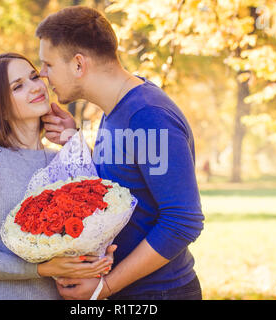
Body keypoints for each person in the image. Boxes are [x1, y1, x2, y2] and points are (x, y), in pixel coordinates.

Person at [37, 6, 205, 300]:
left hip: (158, 293)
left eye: (48, 64)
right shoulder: (116, 107)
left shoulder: (147, 115)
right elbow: (119, 188)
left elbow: (182, 221)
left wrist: (106, 287)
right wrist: (74, 140)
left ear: (78, 64)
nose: (43, 74)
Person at [0, 52, 114, 300]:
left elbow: (100, 214)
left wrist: (97, 258)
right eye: (18, 86)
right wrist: (42, 269)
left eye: (33, 77)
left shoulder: (62, 158)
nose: (35, 87)